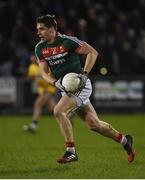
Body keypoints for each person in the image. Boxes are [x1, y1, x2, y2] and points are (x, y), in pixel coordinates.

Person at [35, 14, 135, 163]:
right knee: (93, 124)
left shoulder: (67, 41)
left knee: (58, 111)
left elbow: (92, 52)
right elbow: (43, 72)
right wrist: (55, 83)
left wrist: (84, 75)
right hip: (66, 89)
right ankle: (125, 141)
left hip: (80, 85)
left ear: (52, 30)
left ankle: (71, 151)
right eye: (38, 29)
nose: (38, 32)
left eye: (41, 29)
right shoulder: (40, 48)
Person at [23, 54, 57, 133]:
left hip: (49, 89)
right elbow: (34, 79)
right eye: (31, 59)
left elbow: (51, 77)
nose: (32, 59)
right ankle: (68, 118)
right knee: (53, 108)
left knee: (37, 104)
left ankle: (33, 126)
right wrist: (42, 86)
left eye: (34, 58)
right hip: (44, 89)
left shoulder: (45, 65)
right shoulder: (32, 67)